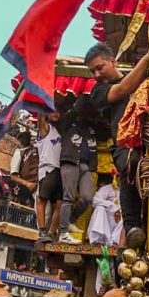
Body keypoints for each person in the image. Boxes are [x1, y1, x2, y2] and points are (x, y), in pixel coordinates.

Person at [87, 42, 149, 249]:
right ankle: (132, 226)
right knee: (131, 166)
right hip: (125, 144)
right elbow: (124, 88)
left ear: (113, 61)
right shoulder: (99, 92)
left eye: (99, 68)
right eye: (92, 71)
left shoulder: (144, 78)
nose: (96, 75)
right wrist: (148, 58)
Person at [57, 97, 97, 245]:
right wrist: (79, 103)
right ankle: (62, 233)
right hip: (70, 162)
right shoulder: (68, 124)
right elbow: (70, 114)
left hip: (85, 165)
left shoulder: (91, 129)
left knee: (87, 197)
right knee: (68, 198)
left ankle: (70, 221)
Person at [35, 112, 64, 242]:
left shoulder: (59, 131)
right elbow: (41, 118)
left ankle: (52, 232)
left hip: (59, 169)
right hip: (47, 169)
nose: (56, 114)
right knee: (41, 200)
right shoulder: (45, 129)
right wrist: (43, 104)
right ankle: (42, 231)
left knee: (59, 203)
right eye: (52, 111)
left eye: (58, 112)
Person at [87, 173, 123, 247]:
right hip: (107, 218)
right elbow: (95, 200)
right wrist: (111, 206)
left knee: (128, 215)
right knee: (100, 208)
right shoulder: (107, 188)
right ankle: (98, 239)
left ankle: (116, 241)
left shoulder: (126, 191)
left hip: (119, 219)